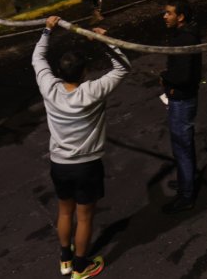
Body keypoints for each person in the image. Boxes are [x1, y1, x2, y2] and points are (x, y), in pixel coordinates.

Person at [33, 15, 130, 279]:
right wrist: (103, 42)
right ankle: (80, 267)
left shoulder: (49, 88)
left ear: (60, 72)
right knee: (84, 217)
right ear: (84, 72)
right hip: (87, 167)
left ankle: (65, 259)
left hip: (60, 165)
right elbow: (122, 68)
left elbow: (37, 59)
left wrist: (46, 31)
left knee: (65, 211)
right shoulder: (92, 91)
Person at [160, 0, 202, 214]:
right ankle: (188, 180)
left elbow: (184, 74)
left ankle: (186, 195)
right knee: (184, 143)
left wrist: (165, 76)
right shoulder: (185, 35)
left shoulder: (183, 40)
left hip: (182, 99)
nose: (165, 17)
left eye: (169, 13)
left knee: (181, 147)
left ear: (181, 17)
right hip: (184, 96)